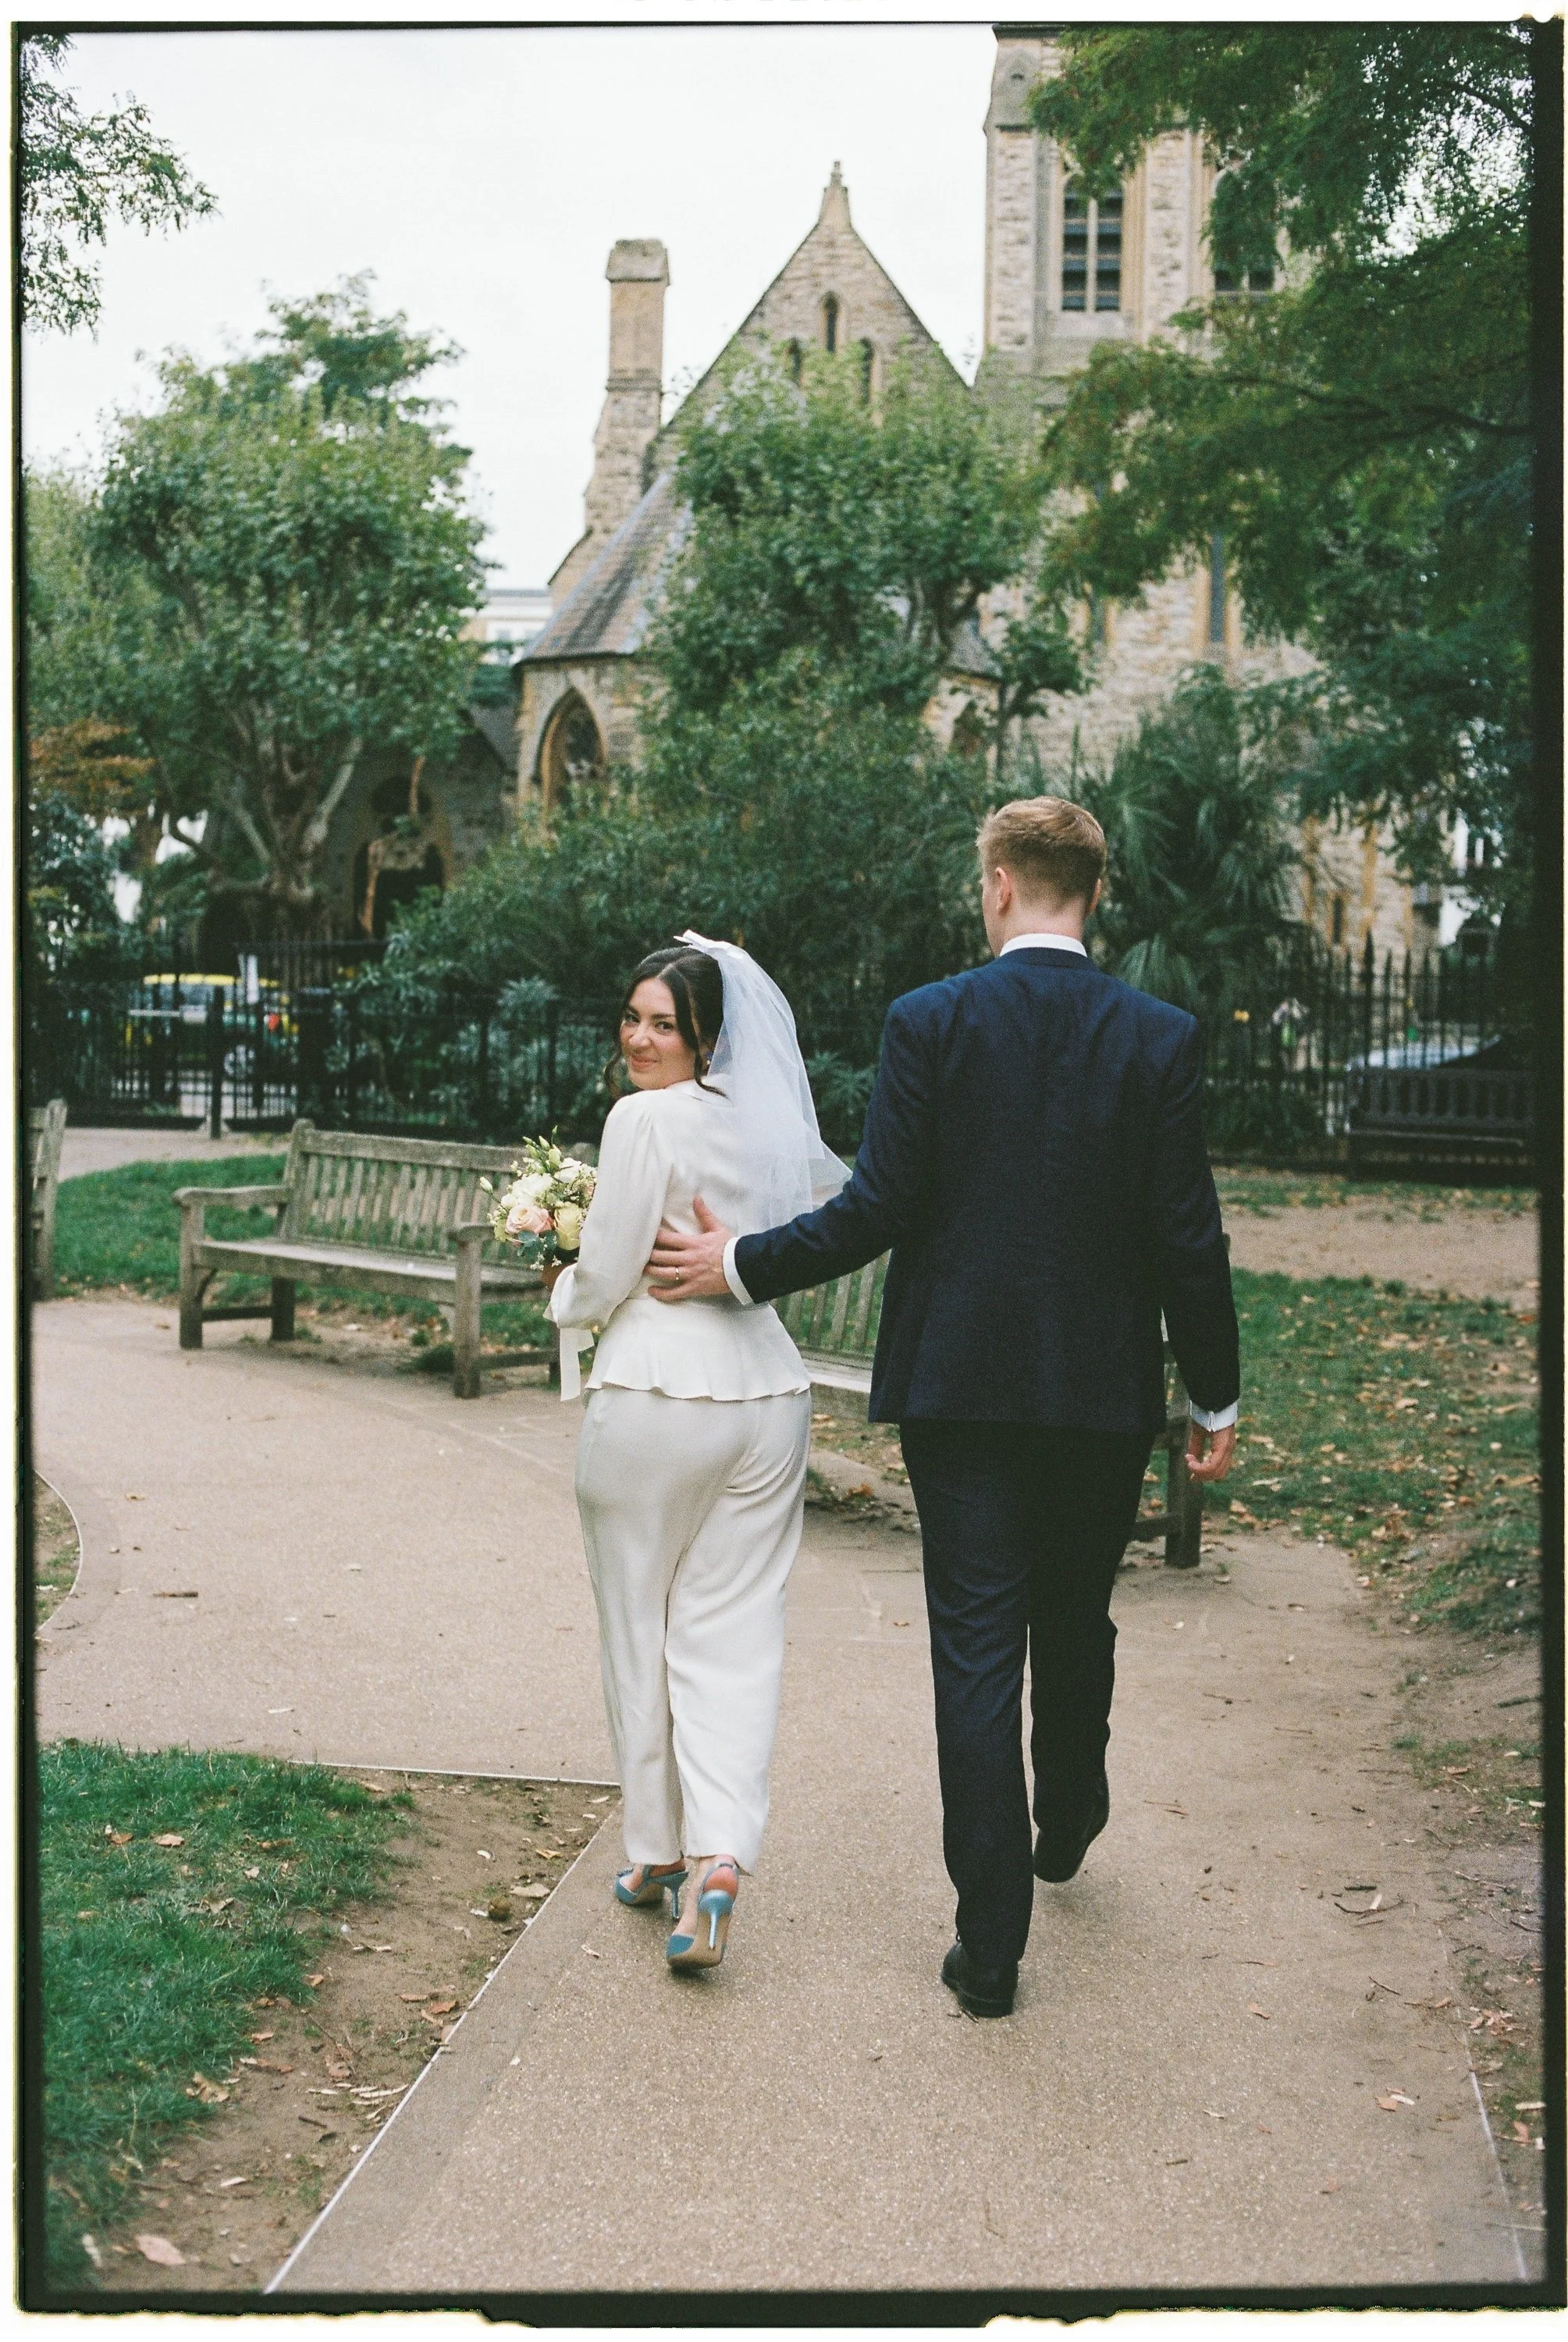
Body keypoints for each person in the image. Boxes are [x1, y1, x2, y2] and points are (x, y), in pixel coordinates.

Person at [645, 798, 1240, 2018]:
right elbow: (1192, 1240)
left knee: (978, 1646)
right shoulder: (1161, 1036)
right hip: (1098, 1395)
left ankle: (992, 1950)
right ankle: (1068, 1810)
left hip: (961, 1393)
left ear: (1001, 885)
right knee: (1076, 1614)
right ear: (1095, 894)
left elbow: (876, 1210)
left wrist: (740, 1264)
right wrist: (1213, 1395)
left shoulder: (932, 1021)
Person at [546, 937, 845, 1974]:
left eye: (663, 1024)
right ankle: (722, 1856)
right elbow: (764, 1242)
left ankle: (654, 1855)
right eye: (630, 1019)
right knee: (732, 1631)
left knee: (638, 1622)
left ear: (708, 1038)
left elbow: (612, 1263)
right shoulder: (757, 1124)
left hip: (660, 1396)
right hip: (769, 1395)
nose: (638, 1038)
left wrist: (562, 1292)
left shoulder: (642, 1119)